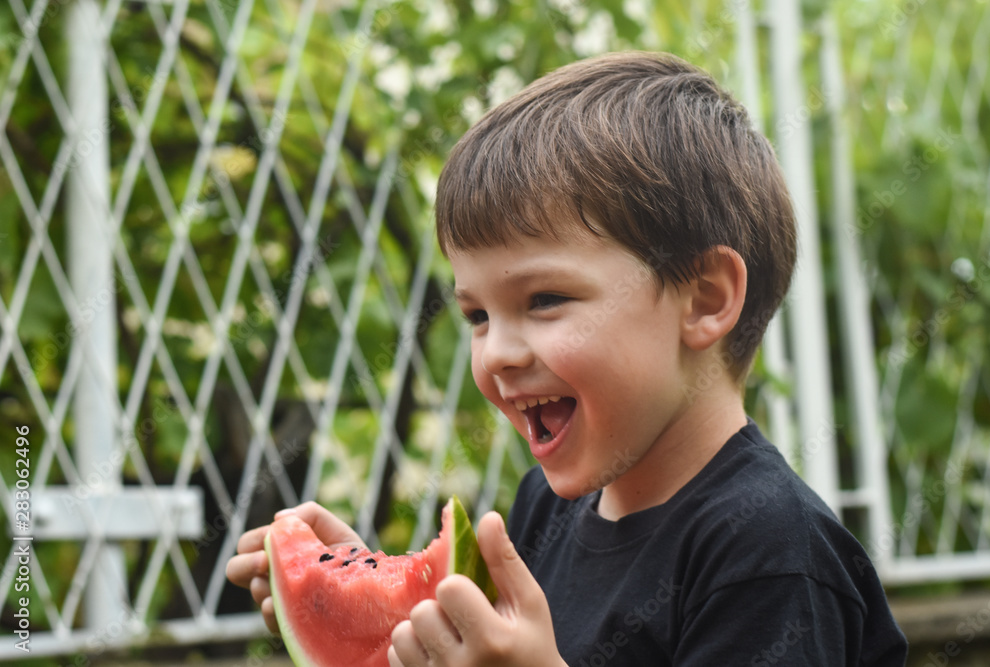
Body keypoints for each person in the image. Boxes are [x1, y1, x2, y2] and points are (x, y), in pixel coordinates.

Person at [227, 51, 908, 666]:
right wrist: (393, 612)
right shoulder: (544, 510)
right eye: (476, 315)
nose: (497, 352)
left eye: (545, 298)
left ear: (703, 299)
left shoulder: (768, 554)